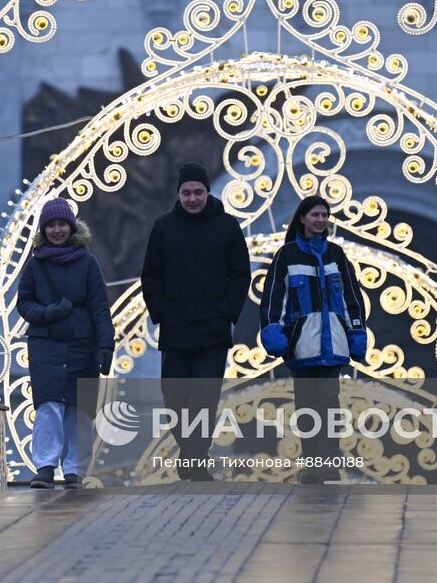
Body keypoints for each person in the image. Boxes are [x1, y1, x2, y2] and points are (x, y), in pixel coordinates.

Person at [139, 163, 251, 480]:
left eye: (197, 192)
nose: (192, 198)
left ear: (207, 192)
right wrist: (160, 311)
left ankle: (196, 458)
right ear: (179, 194)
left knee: (204, 396)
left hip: (213, 329)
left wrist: (227, 311)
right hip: (175, 327)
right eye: (187, 192)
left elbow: (240, 273)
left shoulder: (227, 227)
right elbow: (151, 274)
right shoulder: (163, 228)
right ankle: (191, 453)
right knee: (174, 397)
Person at [260, 195, 368, 483]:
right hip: (301, 345)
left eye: (325, 215)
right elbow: (274, 298)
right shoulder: (287, 255)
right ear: (302, 218)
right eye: (316, 215)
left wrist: (356, 331)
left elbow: (351, 298)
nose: (321, 220)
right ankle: (312, 463)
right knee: (306, 406)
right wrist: (275, 331)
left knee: (328, 400)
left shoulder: (337, 255)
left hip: (334, 340)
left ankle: (328, 462)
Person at [16, 197, 115, 489]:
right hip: (46, 345)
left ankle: (74, 469)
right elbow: (24, 304)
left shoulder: (88, 263)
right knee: (48, 406)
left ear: (71, 228)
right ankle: (45, 467)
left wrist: (106, 344)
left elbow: (100, 308)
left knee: (78, 409)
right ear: (43, 229)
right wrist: (48, 313)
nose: (57, 230)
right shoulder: (35, 266)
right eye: (51, 225)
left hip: (81, 345)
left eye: (61, 224)